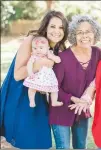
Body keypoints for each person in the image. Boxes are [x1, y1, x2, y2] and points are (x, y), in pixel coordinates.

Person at [0, 10, 68, 149]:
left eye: (61, 27)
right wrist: (40, 63)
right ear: (45, 27)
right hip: (19, 95)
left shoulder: (57, 48)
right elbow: (17, 75)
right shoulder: (32, 40)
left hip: (39, 98)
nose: (57, 31)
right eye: (52, 26)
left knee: (40, 142)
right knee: (22, 141)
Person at [49, 15, 101, 149]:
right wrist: (73, 99)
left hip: (82, 110)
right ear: (73, 35)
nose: (84, 35)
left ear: (94, 33)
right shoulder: (62, 57)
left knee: (81, 146)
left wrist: (86, 99)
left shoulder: (97, 53)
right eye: (80, 32)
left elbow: (100, 79)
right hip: (60, 110)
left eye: (88, 31)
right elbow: (53, 87)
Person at [23, 36, 62, 107]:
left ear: (47, 48)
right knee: (32, 88)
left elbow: (58, 60)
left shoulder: (50, 54)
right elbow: (29, 64)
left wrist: (51, 56)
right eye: (35, 48)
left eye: (41, 48)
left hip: (48, 76)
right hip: (37, 75)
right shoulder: (34, 56)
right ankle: (31, 101)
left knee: (54, 89)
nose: (38, 50)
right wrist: (30, 73)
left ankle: (54, 101)